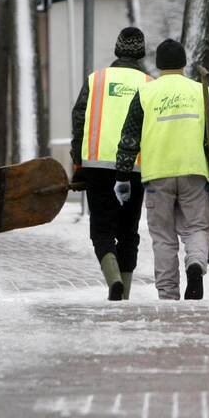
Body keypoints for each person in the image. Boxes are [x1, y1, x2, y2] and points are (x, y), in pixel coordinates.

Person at [114, 39, 209, 300]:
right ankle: (196, 264)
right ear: (183, 63)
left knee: (163, 237)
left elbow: (129, 139)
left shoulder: (146, 94)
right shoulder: (202, 93)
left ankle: (167, 293)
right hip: (194, 172)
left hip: (157, 175)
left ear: (158, 65)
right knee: (197, 227)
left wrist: (123, 177)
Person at [70, 27, 152, 300]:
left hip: (96, 165)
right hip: (135, 167)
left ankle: (113, 279)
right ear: (141, 53)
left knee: (102, 228)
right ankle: (125, 290)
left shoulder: (97, 79)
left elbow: (79, 119)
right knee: (129, 230)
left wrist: (77, 162)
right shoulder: (150, 84)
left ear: (117, 50)